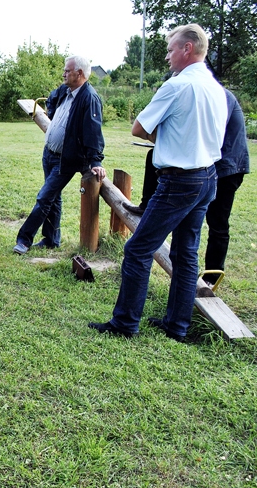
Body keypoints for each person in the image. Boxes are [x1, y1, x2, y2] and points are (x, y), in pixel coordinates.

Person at [89, 24, 227, 342]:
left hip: (179, 180)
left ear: (187, 49)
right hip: (207, 177)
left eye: (170, 49)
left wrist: (166, 137)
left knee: (138, 248)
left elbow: (139, 128)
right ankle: (177, 326)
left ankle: (125, 323)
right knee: (186, 253)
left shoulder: (177, 86)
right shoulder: (215, 88)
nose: (167, 56)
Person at [123, 89, 249, 286]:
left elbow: (208, 134)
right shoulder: (199, 93)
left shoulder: (216, 96)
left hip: (226, 167)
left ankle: (211, 279)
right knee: (153, 157)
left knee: (218, 222)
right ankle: (146, 205)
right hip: (206, 163)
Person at [13, 55, 105, 255]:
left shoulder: (89, 98)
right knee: (53, 198)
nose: (63, 74)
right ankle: (52, 239)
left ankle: (24, 240)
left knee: (44, 197)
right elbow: (52, 98)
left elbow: (93, 131)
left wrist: (95, 160)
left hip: (66, 159)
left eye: (67, 70)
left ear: (79, 73)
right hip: (49, 154)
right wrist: (53, 113)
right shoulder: (66, 90)